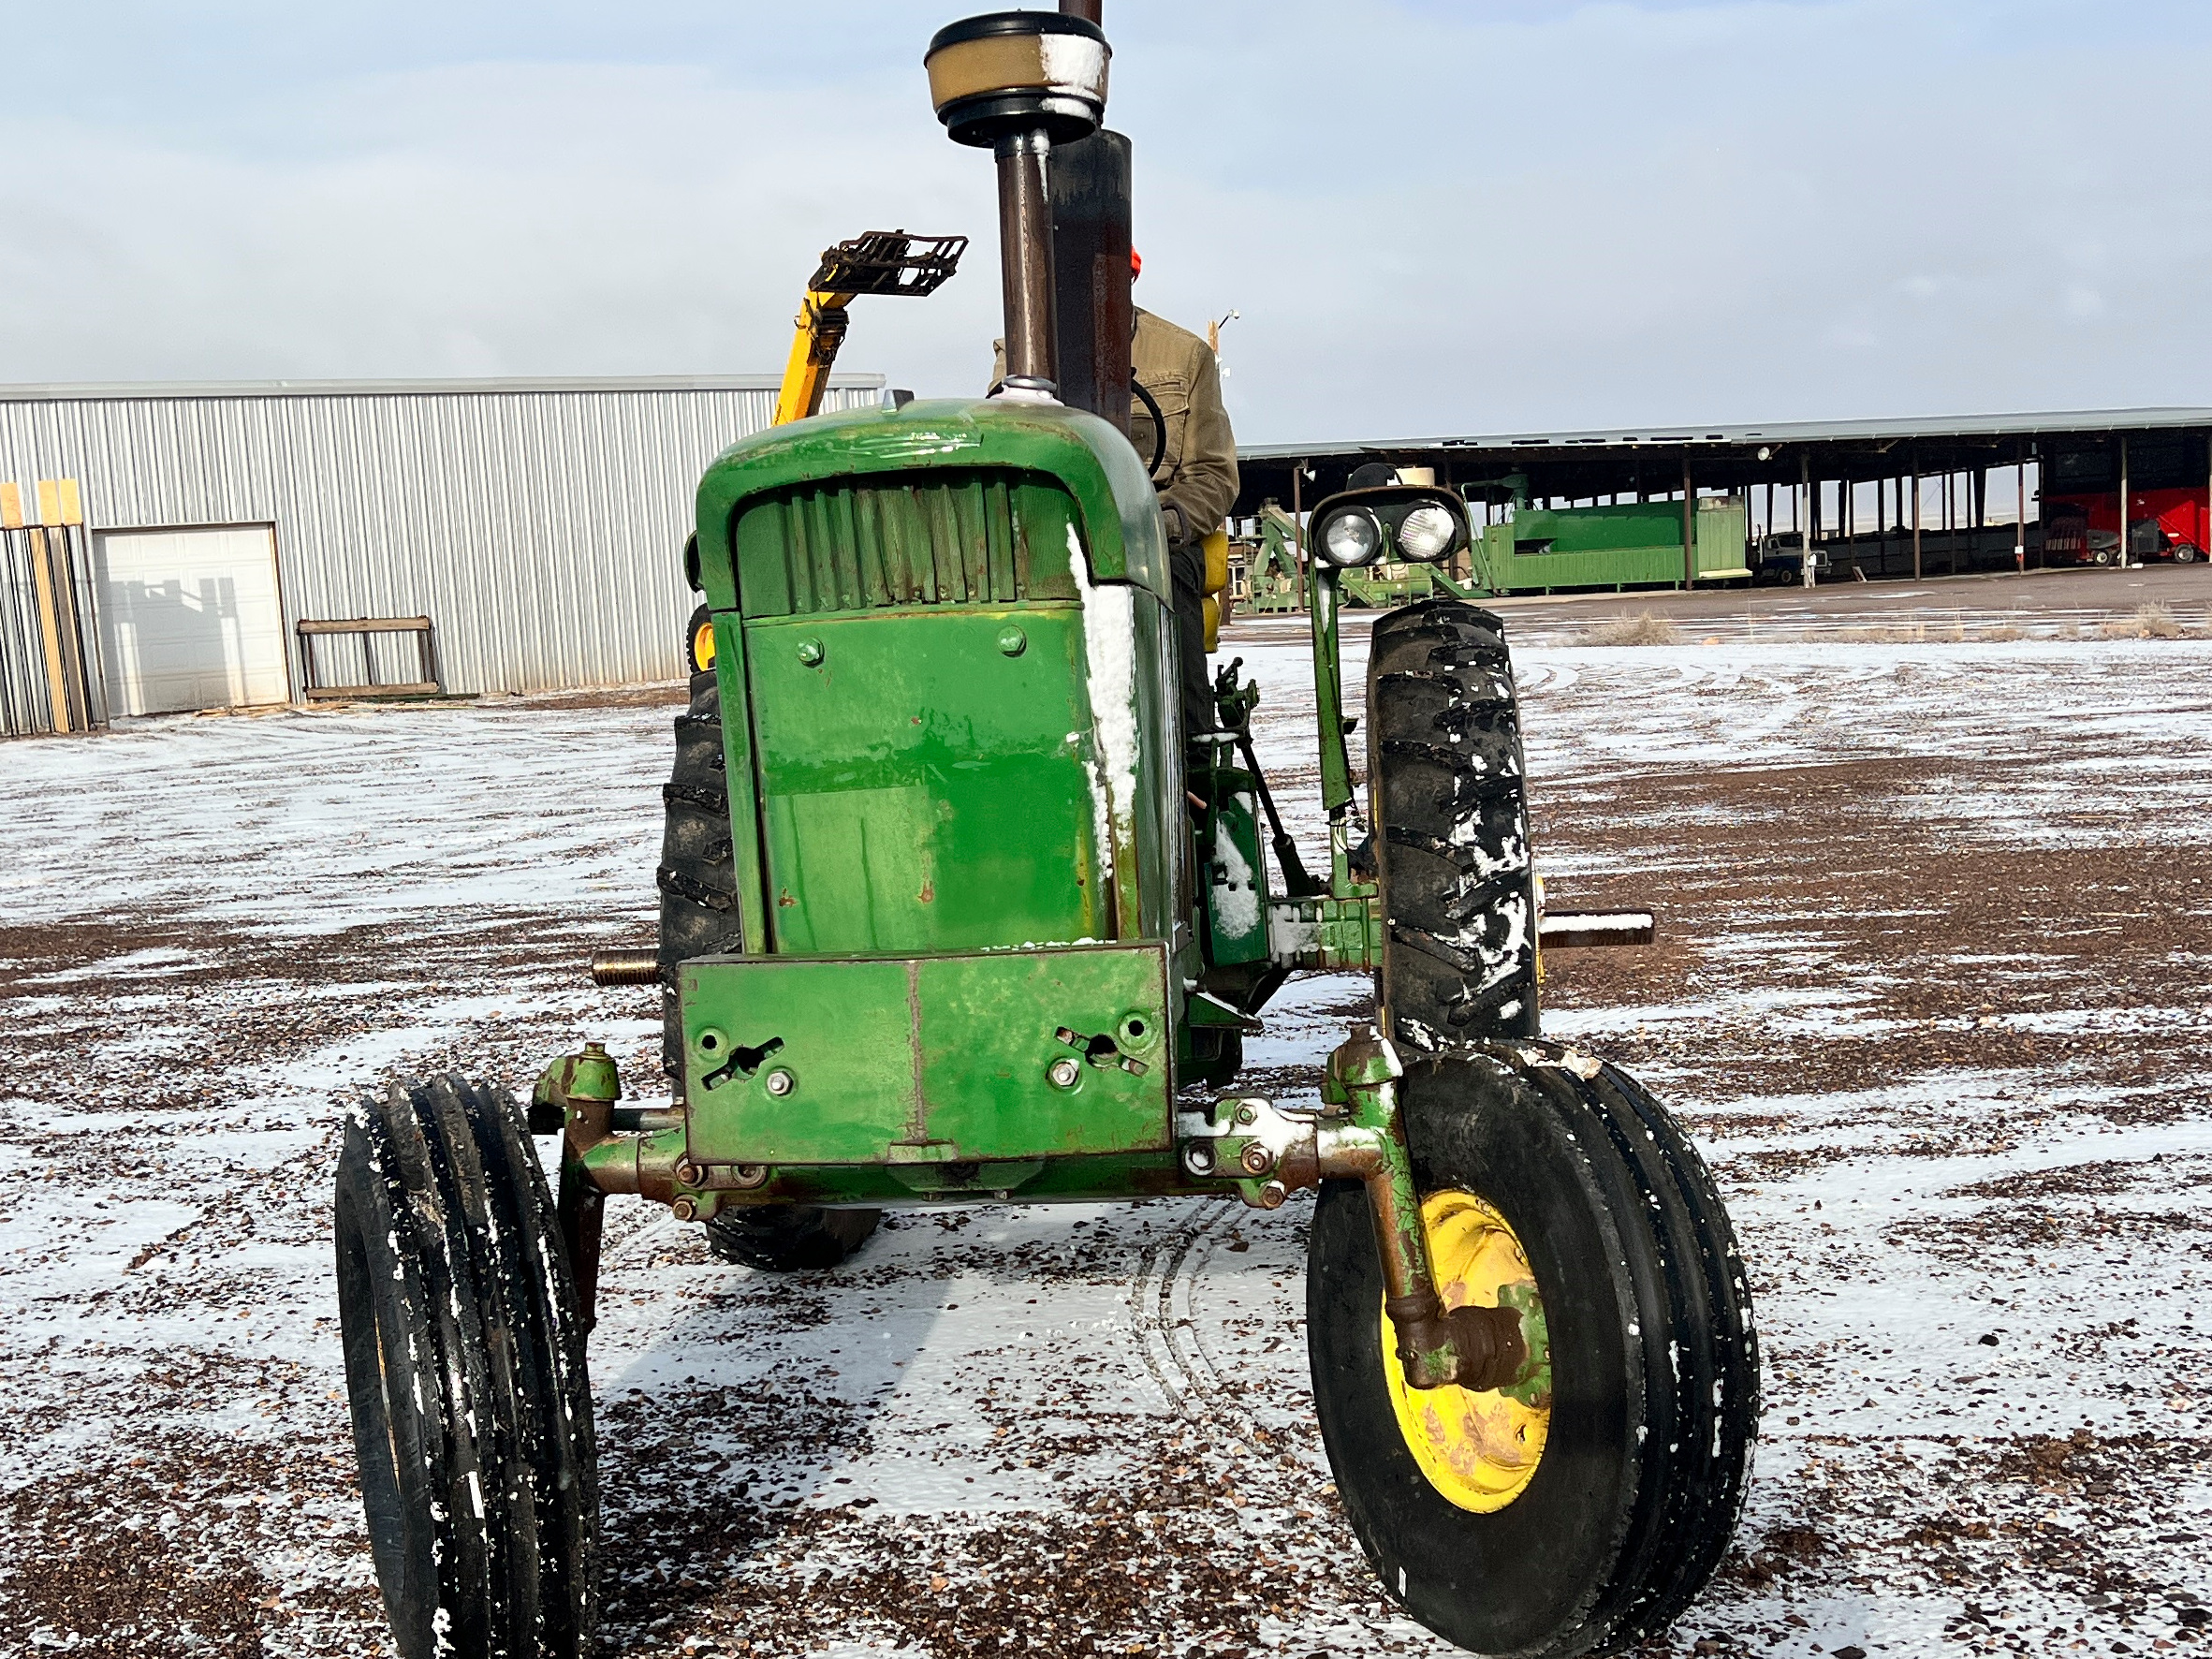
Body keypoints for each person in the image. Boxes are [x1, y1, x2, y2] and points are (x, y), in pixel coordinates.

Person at [990, 249, 1238, 736]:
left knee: (1169, 580)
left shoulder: (1184, 356)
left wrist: (1159, 524)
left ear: (1128, 279)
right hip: (1052, 528)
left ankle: (1187, 749)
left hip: (1151, 533)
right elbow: (1001, 447)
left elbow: (1214, 474)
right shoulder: (1018, 357)